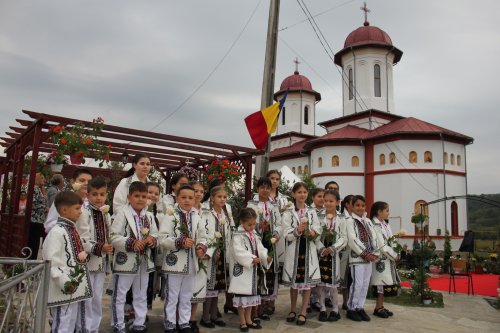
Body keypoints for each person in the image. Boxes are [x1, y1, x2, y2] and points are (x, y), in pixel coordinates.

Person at [110, 181, 159, 333]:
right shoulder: (122, 214)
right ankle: (118, 325)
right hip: (125, 261)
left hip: (144, 261)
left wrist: (152, 240)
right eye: (137, 196)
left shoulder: (149, 216)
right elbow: (113, 237)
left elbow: (156, 234)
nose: (140, 199)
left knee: (141, 293)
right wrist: (131, 242)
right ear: (129, 197)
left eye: (144, 196)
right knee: (120, 294)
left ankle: (139, 323)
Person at [159, 185, 207, 333]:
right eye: (183, 197)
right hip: (174, 263)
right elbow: (162, 238)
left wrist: (201, 247)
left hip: (191, 263)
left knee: (186, 295)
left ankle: (184, 322)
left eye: (190, 198)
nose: (187, 200)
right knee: (172, 295)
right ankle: (170, 323)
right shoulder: (170, 215)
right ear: (177, 198)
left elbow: (203, 237)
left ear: (195, 199)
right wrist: (180, 242)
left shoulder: (197, 217)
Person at [42, 191, 92, 332]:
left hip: (73, 288)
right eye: (77, 208)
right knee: (62, 322)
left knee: (70, 321)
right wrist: (65, 282)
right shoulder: (57, 232)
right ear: (64, 210)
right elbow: (51, 261)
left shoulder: (71, 229)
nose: (80, 212)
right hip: (63, 288)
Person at [77, 176, 113, 333]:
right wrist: (100, 247)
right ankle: (83, 328)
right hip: (87, 261)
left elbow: (108, 236)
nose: (99, 198)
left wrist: (107, 260)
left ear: (106, 195)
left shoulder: (105, 213)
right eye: (95, 194)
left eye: (102, 194)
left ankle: (94, 328)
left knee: (97, 298)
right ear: (88, 194)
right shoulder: (84, 213)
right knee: (87, 298)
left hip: (101, 261)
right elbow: (82, 239)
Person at [282, 182, 321, 326]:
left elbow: (318, 228)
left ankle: (303, 311)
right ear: (293, 194)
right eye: (299, 192)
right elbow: (286, 234)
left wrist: (313, 232)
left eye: (305, 192)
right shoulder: (288, 212)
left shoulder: (311, 212)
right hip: (295, 250)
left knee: (306, 283)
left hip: (308, 249)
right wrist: (297, 230)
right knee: (294, 283)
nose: (302, 195)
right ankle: (292, 309)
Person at [228, 208, 272, 332]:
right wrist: (252, 258)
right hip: (242, 272)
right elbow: (238, 252)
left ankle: (249, 319)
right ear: (242, 222)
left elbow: (261, 248)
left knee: (251, 298)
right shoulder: (237, 236)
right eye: (249, 224)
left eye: (254, 224)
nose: (252, 227)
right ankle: (242, 321)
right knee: (242, 298)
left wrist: (265, 257)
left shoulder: (254, 235)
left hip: (253, 272)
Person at [246, 177, 282, 320]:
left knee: (270, 272)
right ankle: (257, 306)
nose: (265, 190)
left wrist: (275, 232)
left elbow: (279, 223)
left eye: (268, 187)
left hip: (270, 242)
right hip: (256, 242)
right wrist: (258, 226)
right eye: (262, 187)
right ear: (257, 189)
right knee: (258, 272)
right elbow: (245, 222)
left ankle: (267, 303)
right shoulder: (251, 204)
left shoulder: (274, 205)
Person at [199, 185, 232, 328]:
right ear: (212, 198)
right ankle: (205, 317)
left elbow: (229, 233)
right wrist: (212, 250)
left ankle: (214, 315)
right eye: (219, 197)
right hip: (210, 254)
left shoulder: (225, 214)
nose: (222, 199)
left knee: (218, 286)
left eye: (224, 197)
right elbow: (204, 234)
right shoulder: (206, 213)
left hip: (223, 254)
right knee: (209, 286)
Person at [346, 195, 379, 322]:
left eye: (362, 205)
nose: (360, 208)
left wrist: (375, 252)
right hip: (358, 258)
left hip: (370, 258)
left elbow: (374, 238)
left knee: (365, 283)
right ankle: (351, 308)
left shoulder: (368, 221)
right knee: (357, 283)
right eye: (357, 205)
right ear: (352, 207)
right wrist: (365, 253)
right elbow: (352, 240)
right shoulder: (350, 221)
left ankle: (360, 307)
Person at [315, 189, 347, 322]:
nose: (328, 204)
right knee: (321, 284)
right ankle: (322, 308)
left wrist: (333, 248)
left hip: (334, 256)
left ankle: (335, 309)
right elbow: (315, 235)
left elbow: (344, 237)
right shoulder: (318, 217)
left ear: (338, 202)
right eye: (326, 201)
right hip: (322, 255)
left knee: (333, 284)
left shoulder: (341, 218)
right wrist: (322, 248)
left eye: (331, 201)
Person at [370, 201, 400, 319]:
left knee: (384, 283)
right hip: (380, 259)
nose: (388, 213)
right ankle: (378, 308)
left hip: (388, 258)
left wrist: (397, 251)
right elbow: (381, 245)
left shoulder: (385, 224)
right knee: (380, 284)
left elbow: (391, 239)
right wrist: (393, 255)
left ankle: (380, 306)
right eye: (386, 210)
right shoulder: (374, 225)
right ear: (379, 212)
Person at [45, 168, 93, 233]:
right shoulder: (63, 199)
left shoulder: (92, 203)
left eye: (89, 182)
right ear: (73, 182)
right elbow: (48, 226)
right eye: (82, 180)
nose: (86, 183)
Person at [188, 180, 207, 333]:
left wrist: (205, 250)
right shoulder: (184, 209)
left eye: (201, 191)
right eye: (195, 190)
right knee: (184, 288)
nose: (198, 194)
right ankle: (180, 318)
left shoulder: (206, 210)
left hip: (201, 255)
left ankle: (193, 318)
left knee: (197, 288)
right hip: (186, 254)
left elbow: (209, 233)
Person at [145, 182, 164, 311]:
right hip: (138, 251)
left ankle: (141, 312)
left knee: (148, 284)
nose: (153, 195)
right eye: (150, 192)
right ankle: (129, 312)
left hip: (151, 253)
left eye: (156, 193)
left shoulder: (157, 214)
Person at [309, 187, 325, 312]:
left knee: (321, 275)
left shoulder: (327, 211)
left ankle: (320, 299)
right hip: (312, 246)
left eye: (323, 196)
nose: (322, 199)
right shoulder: (309, 211)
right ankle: (309, 300)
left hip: (325, 247)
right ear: (313, 197)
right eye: (319, 196)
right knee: (310, 274)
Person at [339, 194, 354, 311]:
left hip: (356, 253)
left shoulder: (358, 217)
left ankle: (352, 301)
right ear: (347, 204)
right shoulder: (342, 217)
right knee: (345, 278)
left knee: (354, 278)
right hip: (345, 251)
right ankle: (345, 301)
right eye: (353, 203)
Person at [28, 172, 47, 259]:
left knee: (35, 243)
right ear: (37, 178)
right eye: (42, 178)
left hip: (37, 220)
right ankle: (31, 263)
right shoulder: (35, 189)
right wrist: (43, 208)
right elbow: (32, 204)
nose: (44, 180)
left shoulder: (38, 189)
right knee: (33, 243)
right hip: (35, 220)